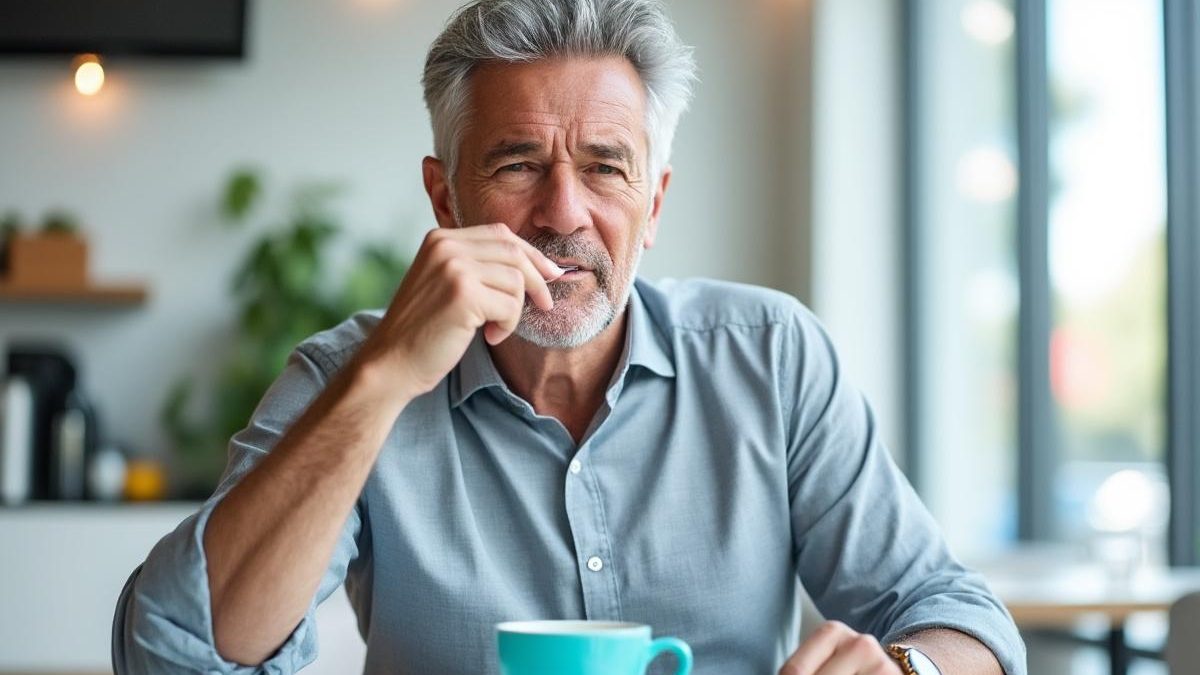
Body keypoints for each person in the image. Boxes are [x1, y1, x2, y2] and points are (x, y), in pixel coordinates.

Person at [113, 1, 1026, 673]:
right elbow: (175, 650)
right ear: (445, 199)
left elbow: (962, 616)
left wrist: (911, 670)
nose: (563, 213)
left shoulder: (770, 355)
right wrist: (384, 377)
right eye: (518, 165)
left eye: (605, 168)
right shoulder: (352, 376)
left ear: (654, 203)